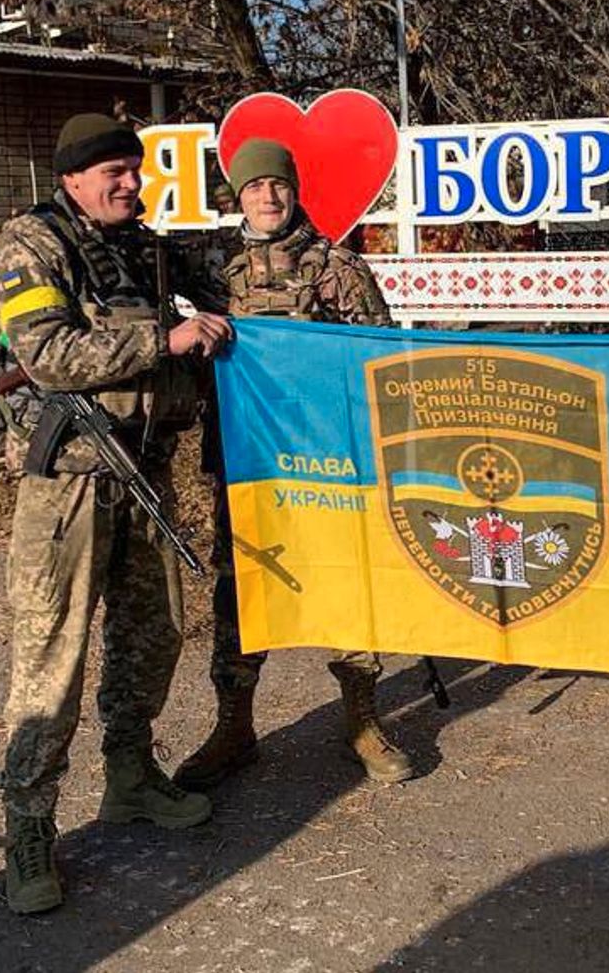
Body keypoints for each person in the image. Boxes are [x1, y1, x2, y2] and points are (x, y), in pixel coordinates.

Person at [0, 112, 232, 916]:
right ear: (71, 178)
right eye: (114, 173)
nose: (131, 183)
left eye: (136, 169)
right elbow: (48, 354)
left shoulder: (141, 246)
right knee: (51, 657)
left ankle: (131, 775)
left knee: (154, 633)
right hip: (72, 486)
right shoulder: (31, 244)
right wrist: (168, 340)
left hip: (145, 472)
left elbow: (225, 289)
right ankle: (29, 826)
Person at [173, 138, 414, 792]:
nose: (268, 196)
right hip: (248, 459)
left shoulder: (337, 267)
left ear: (294, 190)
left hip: (326, 459)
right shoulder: (213, 268)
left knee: (346, 580)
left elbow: (379, 359)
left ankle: (362, 719)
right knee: (241, 587)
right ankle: (234, 725)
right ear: (238, 196)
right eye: (254, 186)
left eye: (278, 184)